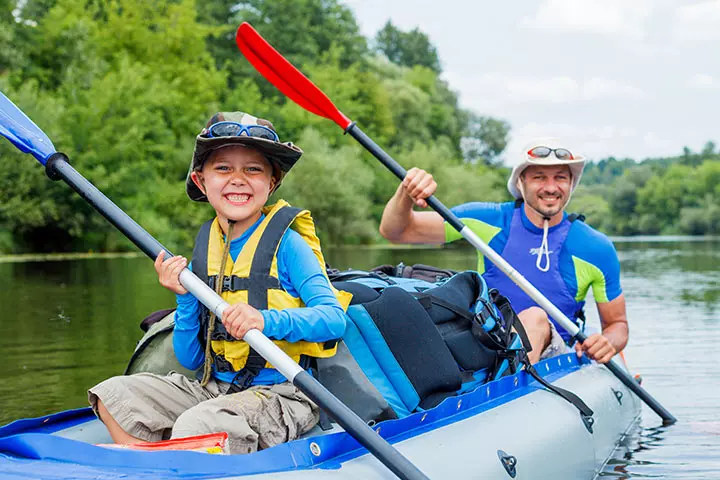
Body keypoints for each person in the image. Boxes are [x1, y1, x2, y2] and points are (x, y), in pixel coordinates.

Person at [89, 112, 351, 454]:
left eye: (253, 169)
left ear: (271, 183)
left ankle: (175, 457)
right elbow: (190, 357)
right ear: (201, 181)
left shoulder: (289, 246)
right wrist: (184, 299)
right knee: (111, 395)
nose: (238, 179)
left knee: (196, 425)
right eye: (223, 168)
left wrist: (265, 320)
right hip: (214, 390)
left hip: (281, 394)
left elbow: (333, 319)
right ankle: (158, 460)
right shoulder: (205, 252)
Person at [379, 138, 628, 365]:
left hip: (554, 356)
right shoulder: (487, 220)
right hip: (486, 343)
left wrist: (608, 342)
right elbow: (398, 231)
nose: (551, 187)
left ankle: (506, 383)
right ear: (521, 182)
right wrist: (406, 192)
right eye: (539, 177)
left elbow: (617, 325)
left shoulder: (595, 247)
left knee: (535, 318)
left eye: (561, 178)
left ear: (571, 184)